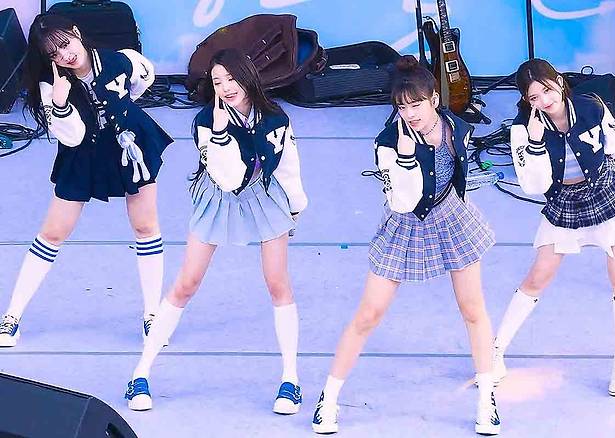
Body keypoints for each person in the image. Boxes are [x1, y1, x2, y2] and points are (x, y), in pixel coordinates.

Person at [311, 56, 501, 435]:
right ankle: (328, 398)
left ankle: (487, 398)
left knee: (473, 310)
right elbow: (401, 201)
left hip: (452, 217)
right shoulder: (387, 143)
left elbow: (458, 175)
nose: (410, 113)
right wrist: (405, 154)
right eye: (402, 107)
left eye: (416, 104)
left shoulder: (457, 128)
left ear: (434, 100)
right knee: (369, 314)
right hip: (405, 224)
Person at [124, 48, 308, 414]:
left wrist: (294, 207)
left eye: (231, 78)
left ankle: (291, 380)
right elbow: (227, 177)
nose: (225, 87)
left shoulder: (276, 118)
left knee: (278, 284)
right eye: (217, 81)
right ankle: (140, 373)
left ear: (248, 76)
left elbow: (288, 165)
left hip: (265, 195)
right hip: (218, 196)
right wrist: (222, 134)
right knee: (186, 283)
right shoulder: (206, 122)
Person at [0, 14, 173, 347]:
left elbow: (142, 80)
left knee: (145, 227)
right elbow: (73, 136)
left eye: (65, 44)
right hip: (83, 152)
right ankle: (11, 317)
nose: (65, 55)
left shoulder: (122, 60)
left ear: (77, 33)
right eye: (54, 54)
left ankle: (153, 316)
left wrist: (120, 113)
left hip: (130, 144)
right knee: (52, 233)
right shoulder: (50, 87)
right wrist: (61, 103)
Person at [492, 58, 615, 397]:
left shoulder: (591, 106)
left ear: (560, 82)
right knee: (537, 278)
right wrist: (535, 142)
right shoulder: (522, 129)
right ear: (526, 101)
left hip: (608, 192)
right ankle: (494, 352)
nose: (544, 101)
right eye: (534, 97)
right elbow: (533, 185)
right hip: (565, 202)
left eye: (548, 90)